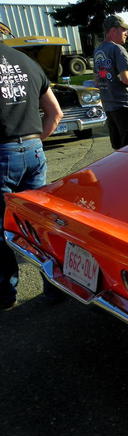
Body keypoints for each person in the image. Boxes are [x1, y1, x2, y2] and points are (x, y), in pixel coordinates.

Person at [0, 44, 63, 310]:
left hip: (2, 152)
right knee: (38, 223)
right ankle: (54, 287)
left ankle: (5, 293)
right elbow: (55, 113)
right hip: (33, 150)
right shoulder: (26, 61)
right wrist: (35, 144)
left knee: (3, 228)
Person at [94, 15, 128, 149]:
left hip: (109, 107)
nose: (126, 33)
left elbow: (98, 80)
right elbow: (126, 79)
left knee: (118, 150)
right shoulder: (117, 49)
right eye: (123, 29)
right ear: (113, 30)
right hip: (125, 107)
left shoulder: (98, 50)